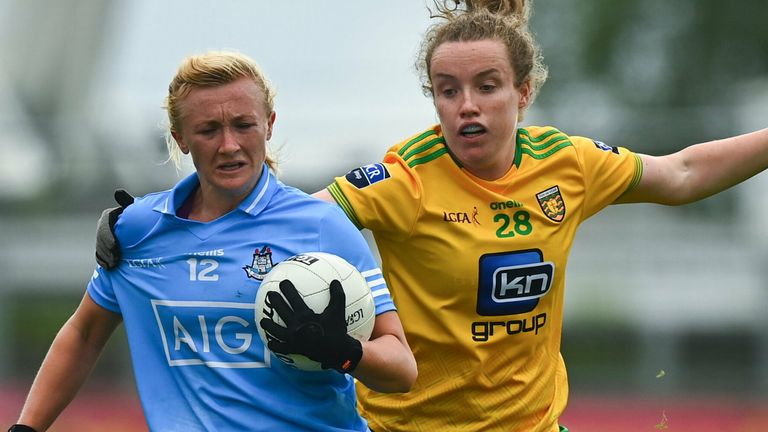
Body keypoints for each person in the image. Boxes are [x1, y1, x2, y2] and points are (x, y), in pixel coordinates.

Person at [93, 1, 768, 431]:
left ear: (523, 93)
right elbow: (285, 221)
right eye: (447, 91)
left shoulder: (569, 163)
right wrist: (160, 224)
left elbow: (680, 173)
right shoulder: (402, 177)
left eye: (486, 87)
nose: (465, 106)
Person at [9, 51, 416, 432]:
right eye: (208, 130)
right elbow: (84, 333)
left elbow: (401, 369)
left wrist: (341, 350)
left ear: (269, 124)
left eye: (243, 125)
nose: (229, 145)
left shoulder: (322, 227)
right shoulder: (136, 232)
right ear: (180, 137)